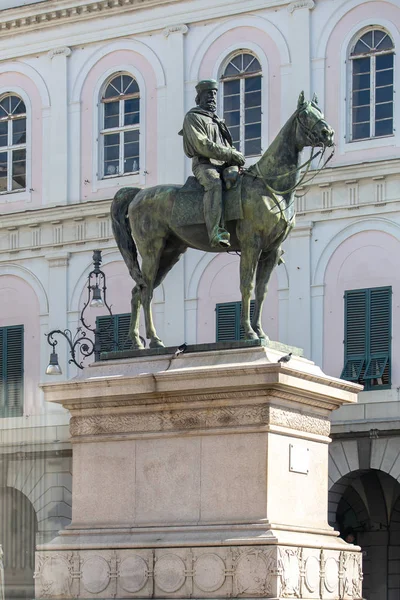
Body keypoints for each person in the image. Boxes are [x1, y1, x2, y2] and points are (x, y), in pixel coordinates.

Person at [181, 79, 245, 248]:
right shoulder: (193, 117)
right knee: (214, 184)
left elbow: (227, 144)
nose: (212, 97)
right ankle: (216, 231)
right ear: (199, 97)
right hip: (205, 164)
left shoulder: (217, 120)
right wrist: (231, 153)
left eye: (214, 94)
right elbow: (203, 145)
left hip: (224, 164)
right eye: (208, 94)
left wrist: (234, 159)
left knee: (244, 182)